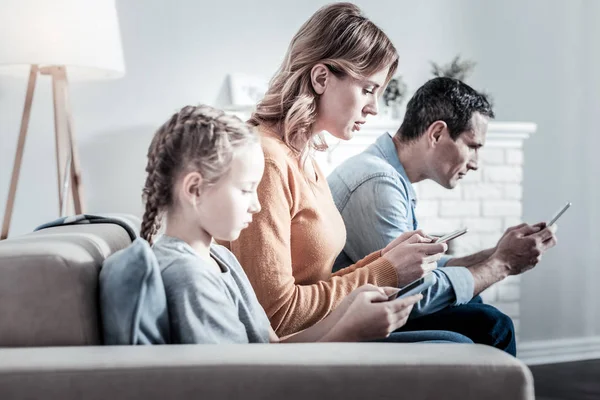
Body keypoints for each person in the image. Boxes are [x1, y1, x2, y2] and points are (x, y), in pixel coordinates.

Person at [218, 3, 470, 346]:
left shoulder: (303, 156)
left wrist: (384, 259)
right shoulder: (268, 161)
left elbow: (314, 281)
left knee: (480, 326)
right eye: (368, 89)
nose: (374, 107)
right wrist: (386, 272)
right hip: (296, 347)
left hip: (321, 330)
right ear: (321, 78)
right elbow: (275, 316)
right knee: (461, 343)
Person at [139, 104, 470, 344]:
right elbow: (241, 382)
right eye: (245, 190)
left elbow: (273, 348)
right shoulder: (188, 278)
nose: (256, 205)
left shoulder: (220, 258)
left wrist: (349, 311)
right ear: (195, 189)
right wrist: (349, 332)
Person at [327, 77, 558, 355]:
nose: (475, 163)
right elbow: (409, 294)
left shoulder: (388, 174)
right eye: (472, 146)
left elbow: (420, 268)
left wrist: (495, 252)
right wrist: (502, 264)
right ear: (436, 134)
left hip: (372, 304)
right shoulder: (378, 182)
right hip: (347, 318)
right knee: (494, 325)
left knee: (476, 302)